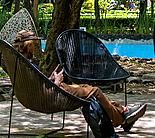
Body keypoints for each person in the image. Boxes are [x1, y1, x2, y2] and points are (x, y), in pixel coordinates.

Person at [11, 30, 147, 132]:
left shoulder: (20, 64)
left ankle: (124, 110)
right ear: (28, 46)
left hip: (48, 92)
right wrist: (56, 82)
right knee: (94, 91)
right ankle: (123, 119)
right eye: (34, 45)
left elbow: (36, 87)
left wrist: (51, 79)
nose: (35, 48)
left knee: (86, 87)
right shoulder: (28, 66)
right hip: (53, 94)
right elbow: (41, 93)